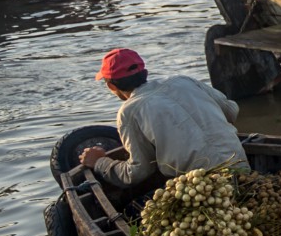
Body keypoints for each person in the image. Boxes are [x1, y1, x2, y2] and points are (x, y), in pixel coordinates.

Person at [75, 48, 248, 203]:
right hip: (244, 172)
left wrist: (99, 162)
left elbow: (137, 172)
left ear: (111, 86)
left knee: (135, 209)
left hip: (205, 191)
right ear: (145, 72)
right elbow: (231, 111)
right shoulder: (183, 80)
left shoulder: (129, 112)